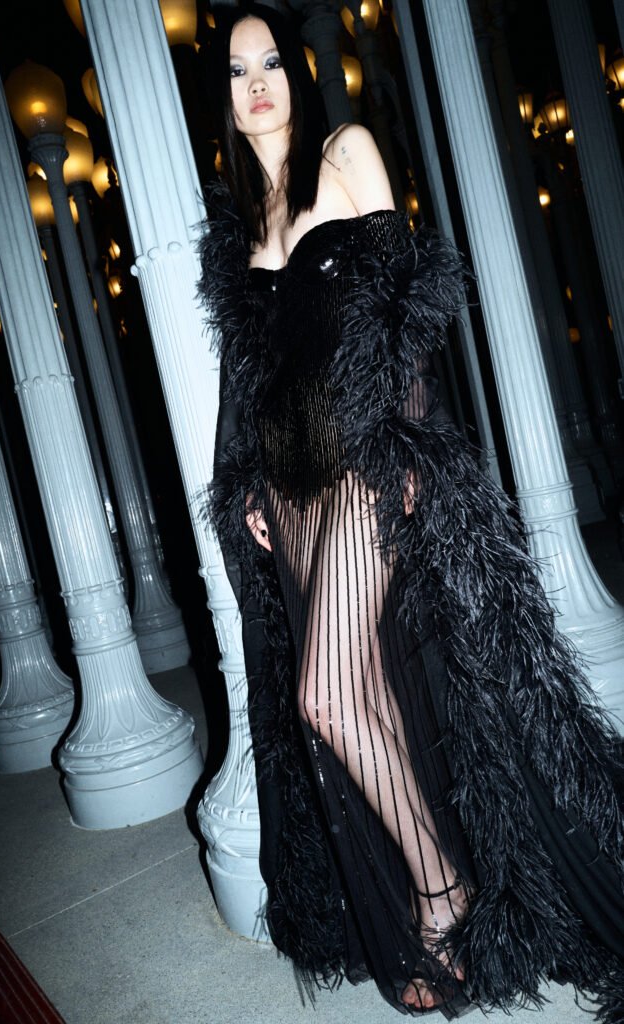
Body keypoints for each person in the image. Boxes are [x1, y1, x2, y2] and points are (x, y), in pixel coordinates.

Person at [197, 4, 624, 1019]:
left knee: (325, 697)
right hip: (291, 487)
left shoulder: (344, 152)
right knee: (367, 693)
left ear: (296, 75)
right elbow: (252, 380)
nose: (257, 83)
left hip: (361, 459)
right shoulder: (240, 226)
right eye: (237, 70)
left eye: (271, 62)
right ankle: (440, 890)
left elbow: (406, 307)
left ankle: (444, 893)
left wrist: (405, 438)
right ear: (222, 97)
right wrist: (249, 484)